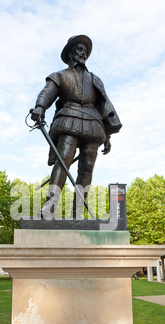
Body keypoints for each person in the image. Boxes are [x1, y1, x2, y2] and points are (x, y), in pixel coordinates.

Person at [31, 35, 122, 218]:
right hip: (69, 119)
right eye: (79, 49)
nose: (83, 53)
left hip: (93, 123)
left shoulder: (95, 79)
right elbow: (48, 92)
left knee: (87, 167)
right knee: (63, 161)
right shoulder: (60, 76)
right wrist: (40, 107)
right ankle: (51, 204)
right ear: (70, 53)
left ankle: (78, 210)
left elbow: (104, 105)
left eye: (85, 50)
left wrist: (108, 136)